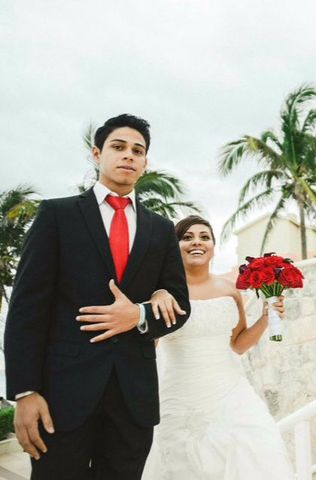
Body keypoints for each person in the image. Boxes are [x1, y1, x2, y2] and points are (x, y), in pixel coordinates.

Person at [4, 114, 191, 479]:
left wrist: (137, 315)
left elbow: (179, 307)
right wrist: (25, 392)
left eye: (138, 151)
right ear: (97, 153)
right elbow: (27, 310)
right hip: (61, 398)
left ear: (145, 163)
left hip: (133, 399)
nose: (128, 156)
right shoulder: (56, 215)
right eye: (118, 147)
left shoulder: (161, 229)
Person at [143, 215, 295, 480]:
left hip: (231, 392)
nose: (196, 243)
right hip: (179, 394)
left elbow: (237, 344)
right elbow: (147, 345)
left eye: (204, 237)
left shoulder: (230, 289)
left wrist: (266, 317)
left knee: (257, 452)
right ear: (174, 246)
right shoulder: (162, 293)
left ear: (213, 246)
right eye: (187, 237)